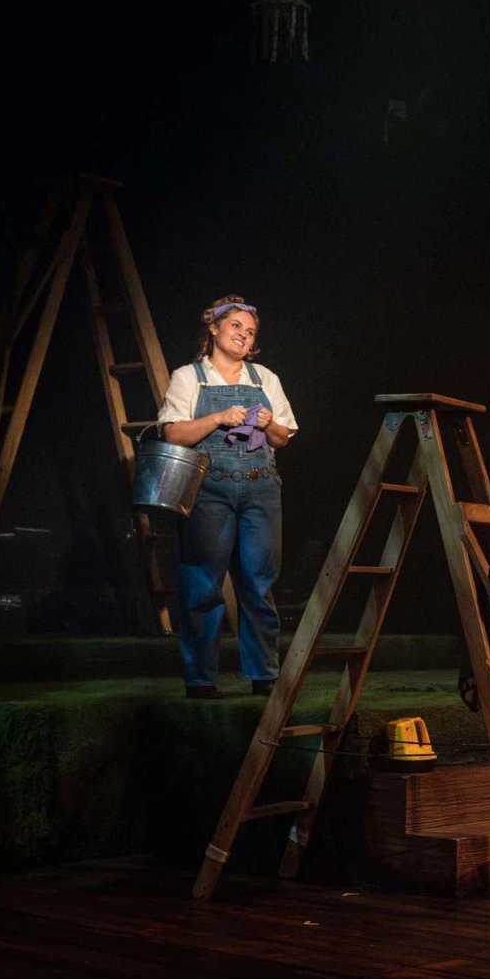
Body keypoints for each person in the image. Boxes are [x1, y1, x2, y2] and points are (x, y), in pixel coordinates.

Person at [157, 296, 297, 699]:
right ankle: (200, 679)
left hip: (260, 487)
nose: (243, 335)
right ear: (214, 328)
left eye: (250, 331)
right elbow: (172, 433)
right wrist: (218, 417)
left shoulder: (264, 378)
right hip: (209, 489)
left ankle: (263, 675)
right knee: (203, 584)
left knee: (258, 582)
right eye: (236, 326)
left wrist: (268, 425)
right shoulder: (189, 377)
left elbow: (283, 438)